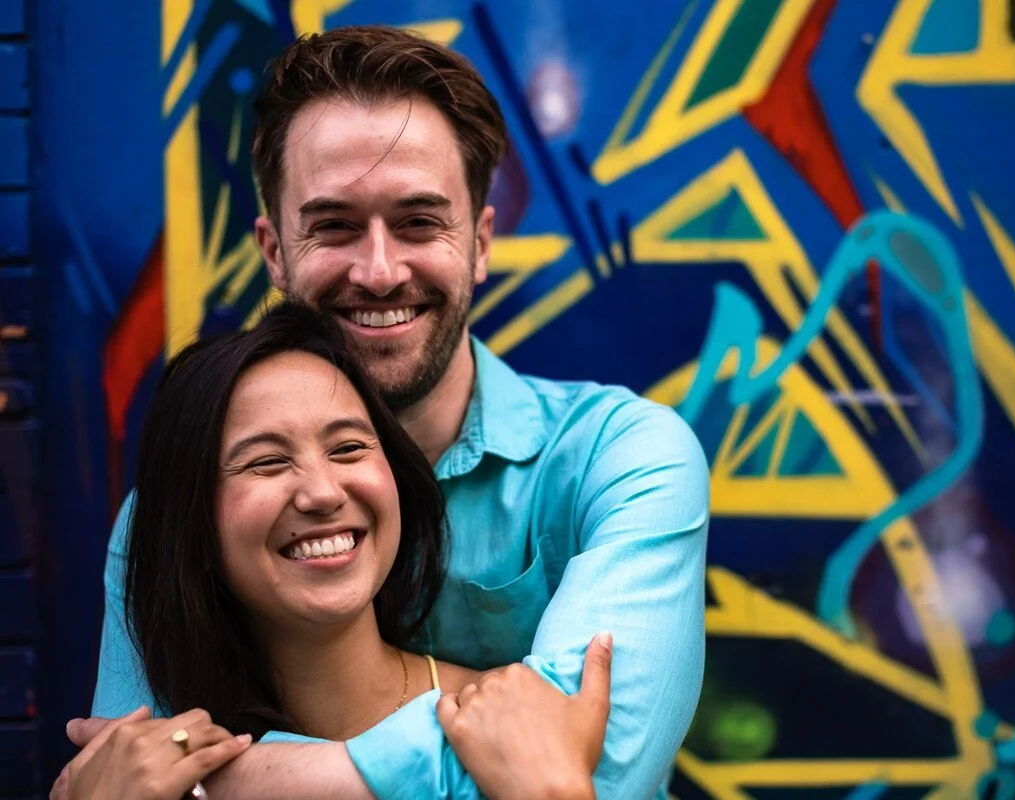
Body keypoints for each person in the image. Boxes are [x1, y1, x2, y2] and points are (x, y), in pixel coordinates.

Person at [76, 24, 709, 799]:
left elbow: (597, 771)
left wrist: (214, 784)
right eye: (336, 226)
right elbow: (124, 773)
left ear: (478, 242)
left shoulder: (623, 459)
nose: (379, 272)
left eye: (418, 223)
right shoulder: (176, 513)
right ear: (275, 252)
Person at [56, 303, 611, 800]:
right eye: (266, 462)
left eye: (348, 448)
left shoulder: (509, 726)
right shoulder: (147, 770)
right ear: (194, 529)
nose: (323, 492)